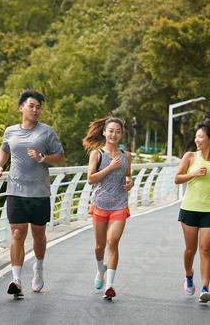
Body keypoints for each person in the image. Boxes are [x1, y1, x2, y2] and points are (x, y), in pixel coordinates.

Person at [0, 89, 65, 298]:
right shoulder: (10, 131)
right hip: (15, 190)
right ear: (21, 108)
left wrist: (42, 157)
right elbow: (4, 149)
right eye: (32, 106)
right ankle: (16, 280)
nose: (35, 110)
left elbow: (60, 157)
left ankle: (38, 271)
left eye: (38, 107)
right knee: (17, 234)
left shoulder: (47, 132)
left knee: (39, 236)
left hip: (39, 192)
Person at [174, 120, 210, 303]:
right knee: (191, 249)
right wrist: (193, 174)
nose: (197, 140)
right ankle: (188, 274)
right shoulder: (190, 157)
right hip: (189, 208)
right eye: (196, 136)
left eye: (200, 137)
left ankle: (205, 288)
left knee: (206, 249)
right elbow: (177, 179)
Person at [82, 116, 133, 299]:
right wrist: (110, 167)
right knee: (99, 246)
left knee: (112, 243)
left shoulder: (126, 155)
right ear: (104, 132)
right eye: (111, 130)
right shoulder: (97, 154)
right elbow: (90, 179)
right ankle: (99, 270)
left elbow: (128, 176)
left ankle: (110, 285)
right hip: (100, 204)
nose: (114, 134)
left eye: (118, 131)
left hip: (119, 203)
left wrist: (129, 183)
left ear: (121, 134)